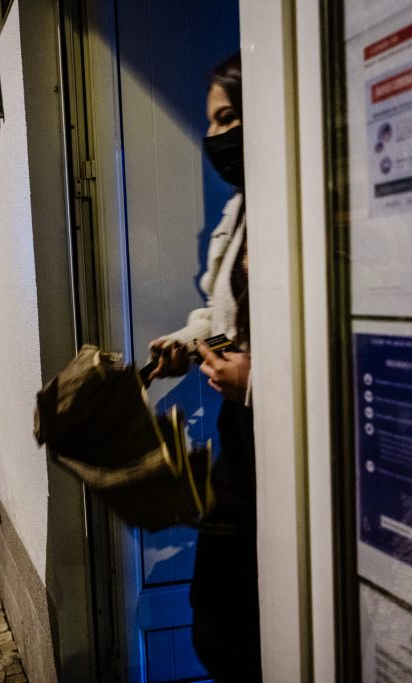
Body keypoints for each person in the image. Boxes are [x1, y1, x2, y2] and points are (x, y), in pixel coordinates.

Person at [145, 54, 261, 681]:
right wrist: (188, 345)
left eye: (230, 118)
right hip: (242, 439)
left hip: (296, 446)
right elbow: (226, 315)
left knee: (233, 624)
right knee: (218, 618)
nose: (215, 136)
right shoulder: (242, 208)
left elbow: (347, 345)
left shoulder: (318, 205)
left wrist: (258, 380)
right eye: (214, 121)